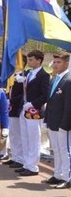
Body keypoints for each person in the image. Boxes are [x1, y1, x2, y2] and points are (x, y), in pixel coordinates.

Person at [15, 50, 49, 177]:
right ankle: (26, 163)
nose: (28, 62)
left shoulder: (44, 75)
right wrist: (22, 80)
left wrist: (33, 104)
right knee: (25, 136)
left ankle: (33, 166)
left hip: (34, 110)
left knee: (34, 138)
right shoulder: (28, 73)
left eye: (31, 60)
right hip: (24, 108)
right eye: (28, 59)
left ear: (39, 61)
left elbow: (45, 95)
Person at [43, 51, 71, 189]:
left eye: (59, 62)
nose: (55, 65)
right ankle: (58, 174)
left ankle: (67, 177)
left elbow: (68, 105)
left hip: (63, 123)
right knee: (56, 149)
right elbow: (51, 101)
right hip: (53, 120)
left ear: (67, 63)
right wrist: (46, 119)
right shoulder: (54, 79)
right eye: (54, 62)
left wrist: (65, 124)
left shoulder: (69, 80)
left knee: (64, 150)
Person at [4, 55, 27, 170]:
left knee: (19, 134)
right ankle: (15, 156)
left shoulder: (25, 75)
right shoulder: (11, 75)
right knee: (13, 133)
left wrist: (11, 100)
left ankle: (21, 158)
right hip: (11, 108)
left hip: (19, 107)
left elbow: (23, 94)